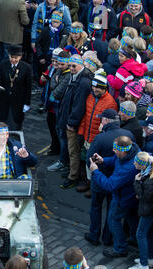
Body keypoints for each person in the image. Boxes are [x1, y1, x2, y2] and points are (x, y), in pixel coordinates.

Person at [84, 109, 135, 246]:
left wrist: (95, 169)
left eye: (102, 119)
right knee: (111, 211)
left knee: (96, 207)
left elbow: (89, 159)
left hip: (101, 179)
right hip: (118, 183)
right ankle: (107, 238)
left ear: (106, 121)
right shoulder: (128, 134)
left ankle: (94, 235)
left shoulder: (100, 138)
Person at [89, 136, 140, 258]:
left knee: (113, 220)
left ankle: (120, 248)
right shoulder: (131, 153)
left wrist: (95, 171)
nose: (113, 150)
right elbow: (116, 159)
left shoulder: (128, 168)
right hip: (130, 196)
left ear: (123, 150)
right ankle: (135, 239)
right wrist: (104, 161)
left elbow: (110, 184)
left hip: (123, 198)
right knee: (132, 218)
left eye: (115, 149)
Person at [77, 69, 118, 195]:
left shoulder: (110, 102)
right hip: (87, 136)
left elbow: (111, 125)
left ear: (104, 88)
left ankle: (93, 186)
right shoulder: (90, 97)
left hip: (98, 137)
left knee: (95, 163)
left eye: (97, 88)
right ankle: (87, 182)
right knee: (85, 160)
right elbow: (86, 116)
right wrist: (81, 131)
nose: (94, 90)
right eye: (93, 87)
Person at [56, 54, 92, 189]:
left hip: (74, 124)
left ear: (81, 65)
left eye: (74, 66)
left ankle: (73, 176)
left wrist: (71, 122)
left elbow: (79, 105)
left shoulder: (83, 82)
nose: (71, 68)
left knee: (73, 150)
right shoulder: (77, 76)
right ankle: (72, 171)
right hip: (70, 119)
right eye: (70, 65)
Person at [128, 152, 153, 269]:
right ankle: (149, 258)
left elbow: (144, 197)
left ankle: (143, 265)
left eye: (136, 162)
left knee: (140, 234)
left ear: (142, 165)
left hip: (147, 209)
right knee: (149, 234)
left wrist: (136, 183)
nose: (134, 163)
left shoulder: (148, 180)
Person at [0, 45, 33, 131]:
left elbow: (28, 87)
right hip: (5, 101)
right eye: (11, 57)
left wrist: (27, 103)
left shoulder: (26, 68)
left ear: (20, 57)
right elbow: (0, 79)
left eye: (16, 58)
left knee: (15, 126)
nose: (13, 60)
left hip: (18, 102)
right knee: (2, 125)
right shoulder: (3, 64)